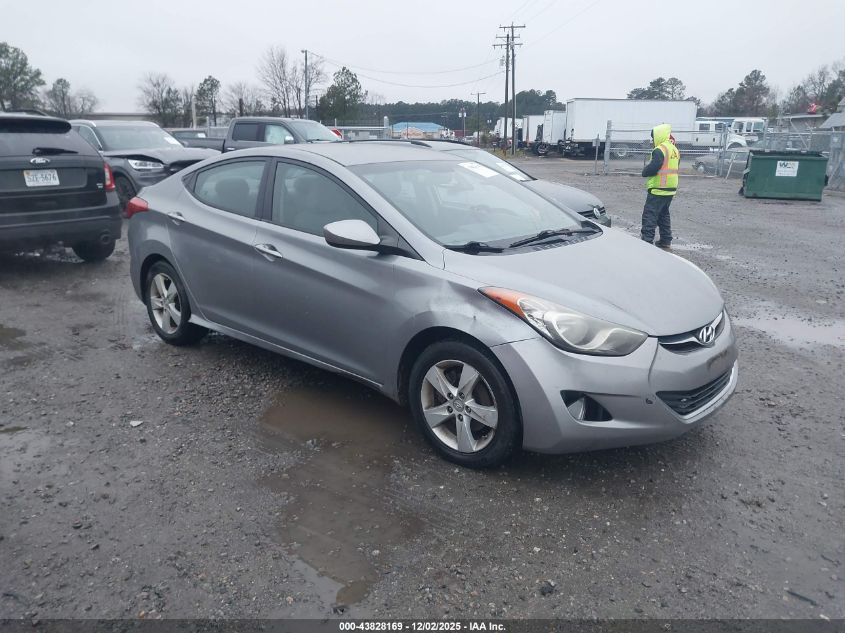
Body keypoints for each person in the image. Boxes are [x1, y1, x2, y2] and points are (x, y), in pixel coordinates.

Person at [640, 123, 680, 251]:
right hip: (670, 189)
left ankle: (646, 242)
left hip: (659, 188)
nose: (652, 140)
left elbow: (655, 166)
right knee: (663, 215)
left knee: (650, 215)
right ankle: (665, 240)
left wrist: (645, 171)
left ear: (659, 135)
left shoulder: (660, 149)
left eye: (653, 137)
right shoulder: (674, 149)